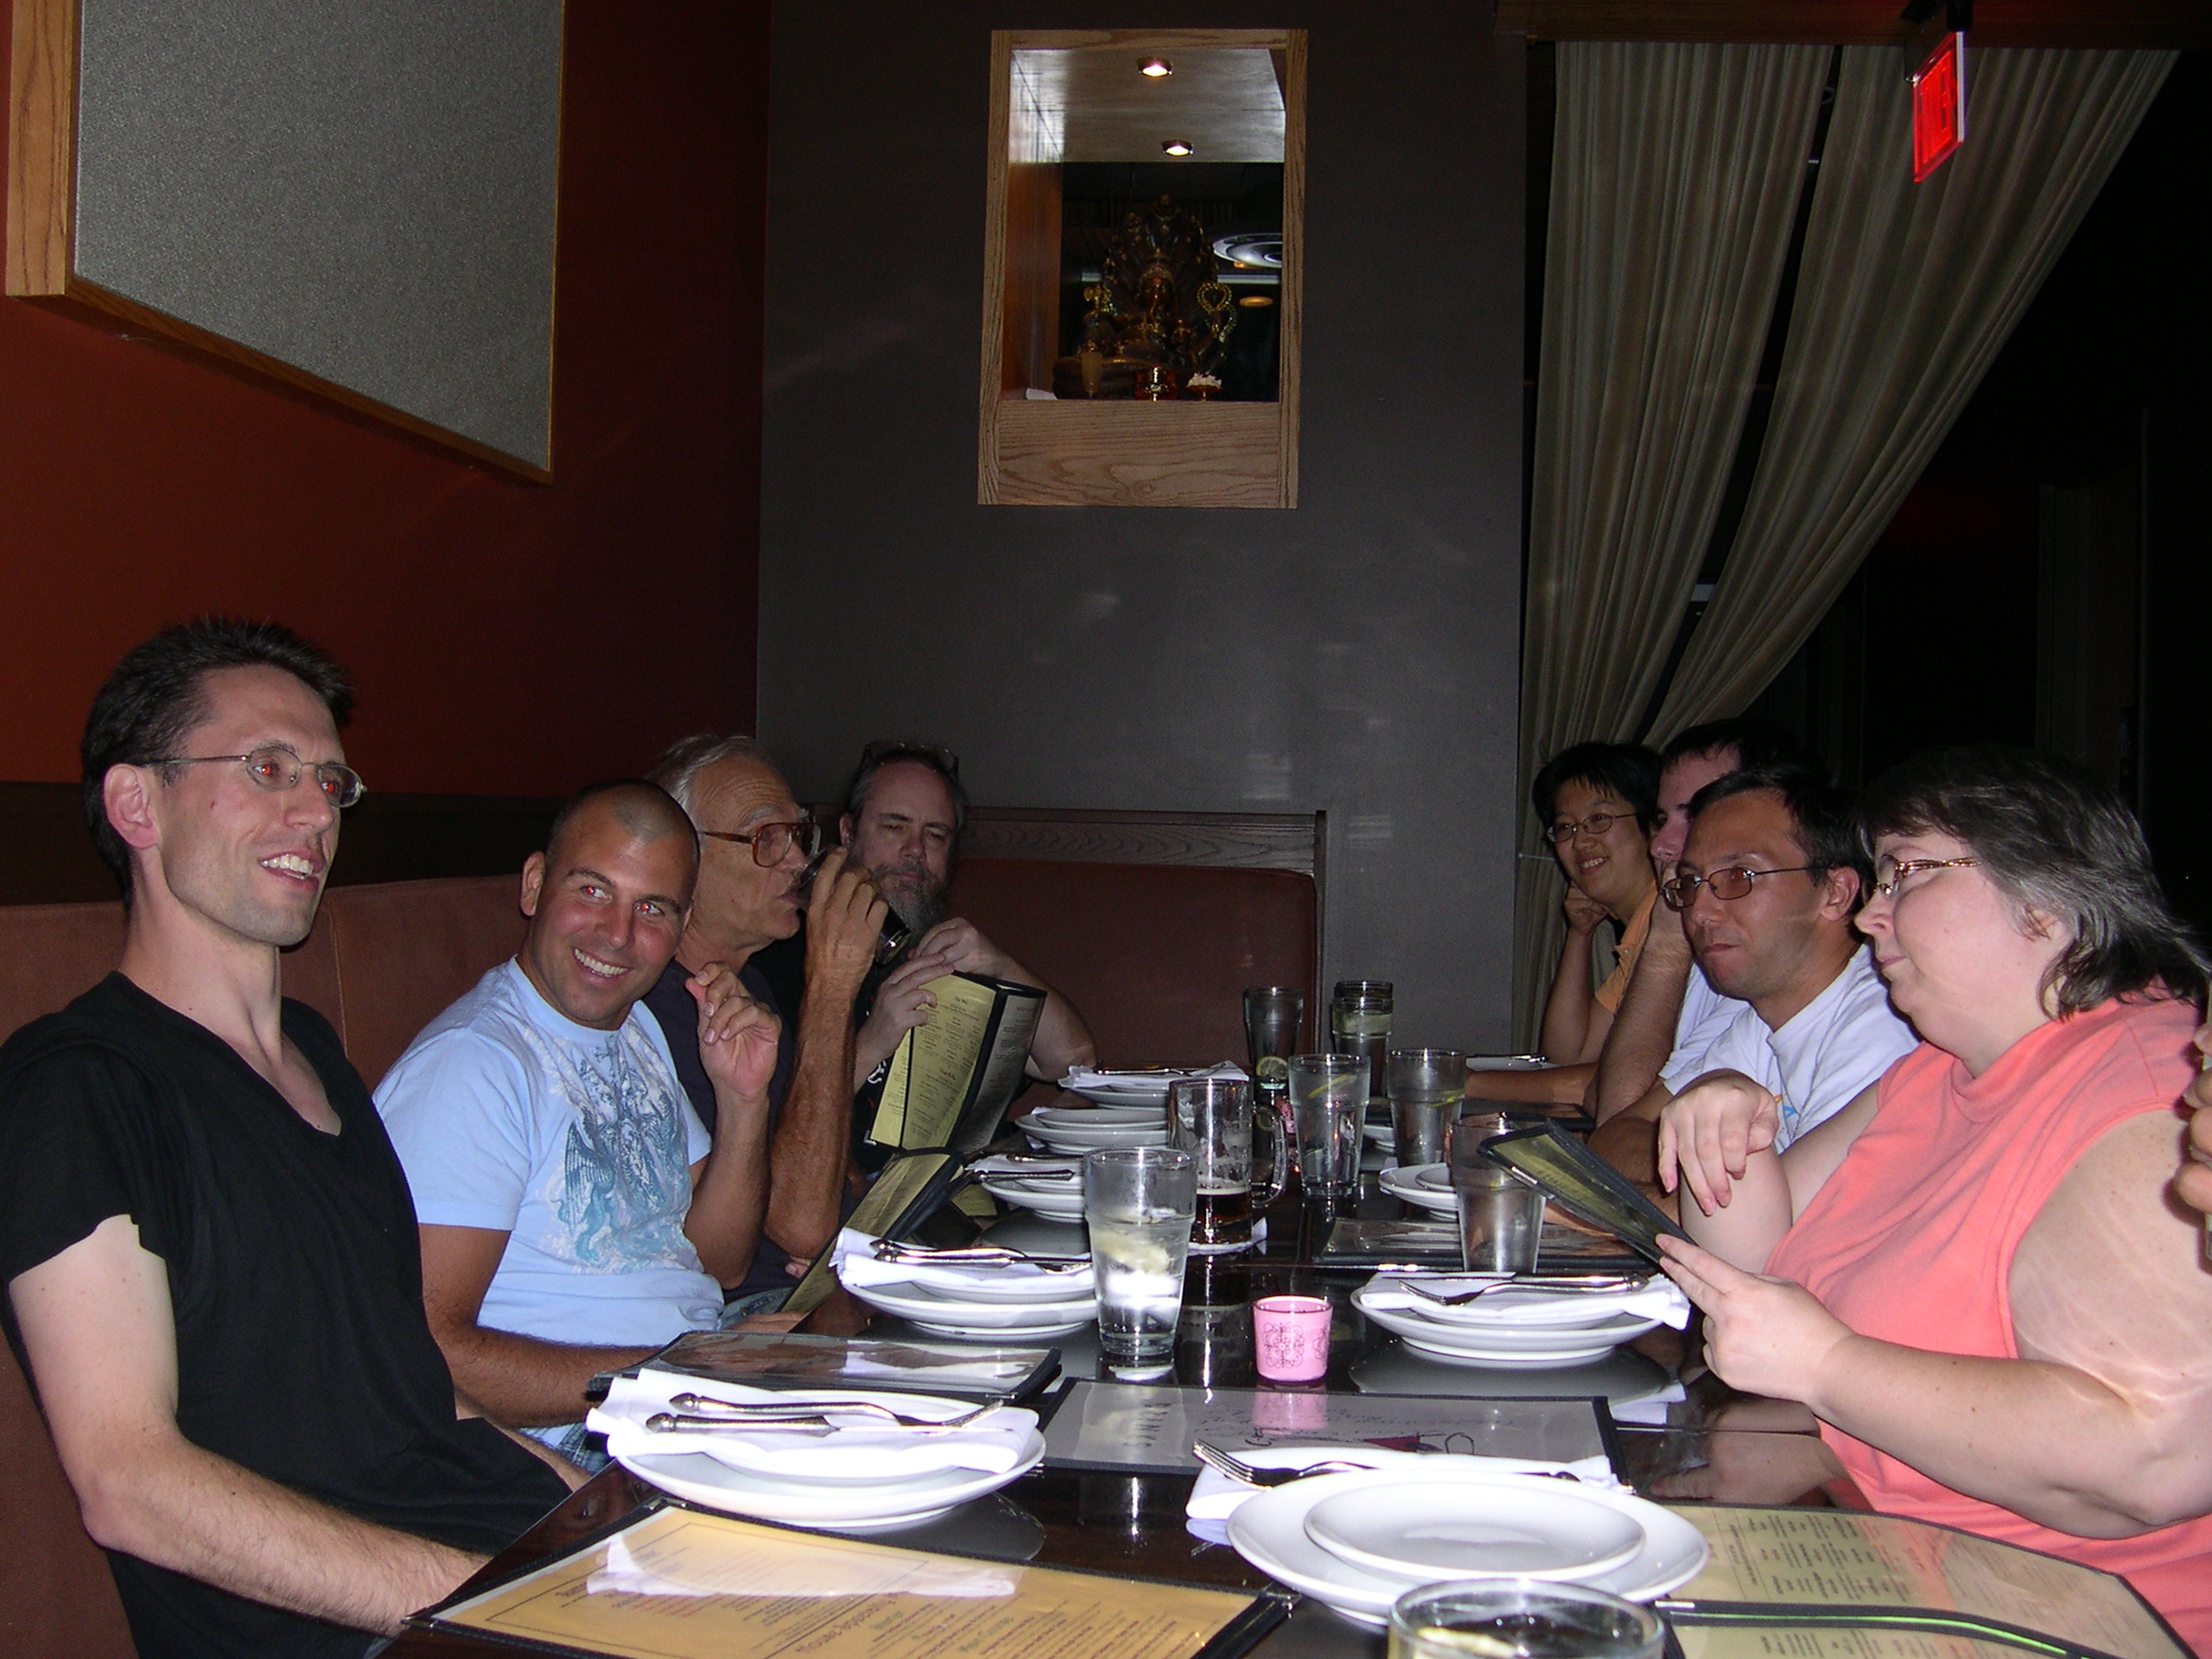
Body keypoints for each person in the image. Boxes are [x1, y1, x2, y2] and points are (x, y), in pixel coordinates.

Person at [0, 619, 571, 1657]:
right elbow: (129, 1484)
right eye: (268, 769)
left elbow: (418, 1389)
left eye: (331, 782)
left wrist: (617, 1517)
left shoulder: (315, 1051)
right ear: (136, 803)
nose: (315, 812)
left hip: (509, 1572)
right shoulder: (74, 1088)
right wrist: (502, 1606)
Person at [1655, 746, 2212, 1647]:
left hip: (2057, 1620)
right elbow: (1753, 1267)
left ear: (2046, 895)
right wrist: (1724, 1118)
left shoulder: (2154, 1091)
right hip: (1873, 1557)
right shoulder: (1935, 1072)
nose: (1871, 914)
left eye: (1906, 873)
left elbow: (2154, 1458)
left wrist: (1830, 1367)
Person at [376, 781, 782, 1452]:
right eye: (592, 890)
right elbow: (424, 1350)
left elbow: (719, 1263)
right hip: (579, 1430)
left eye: (651, 909)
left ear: (682, 926)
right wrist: (682, 1374)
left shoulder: (636, 1030)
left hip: (684, 1372)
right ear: (534, 885)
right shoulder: (472, 1067)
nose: (617, 936)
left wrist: (743, 1100)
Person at [1588, 765, 1916, 1190]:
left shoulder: (1881, 1025)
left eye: (1738, 877)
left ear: (1835, 893)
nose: (1700, 911)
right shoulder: (1762, 1020)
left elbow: (1800, 1225)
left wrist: (1683, 1198)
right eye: (1691, 882)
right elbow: (1614, 1136)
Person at [646, 735, 887, 1307]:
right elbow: (801, 1228)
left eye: (798, 835)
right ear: (683, 863)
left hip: (826, 1293)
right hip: (745, 1316)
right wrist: (832, 986)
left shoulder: (749, 982)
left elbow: (826, 1170)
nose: (798, 862)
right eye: (765, 839)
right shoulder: (653, 1010)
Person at [838, 741, 1095, 1095]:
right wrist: (870, 1046)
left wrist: (1003, 968)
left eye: (935, 835)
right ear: (848, 833)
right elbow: (779, 1119)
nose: (915, 850)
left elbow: (1075, 1062)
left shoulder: (950, 955)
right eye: (894, 827)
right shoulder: (792, 957)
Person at [1588, 719, 1809, 1124]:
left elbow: (1619, 1115)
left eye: (1693, 816)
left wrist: (1665, 943)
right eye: (1661, 820)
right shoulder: (1705, 938)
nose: (1660, 846)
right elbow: (1601, 1098)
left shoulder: (1761, 966)